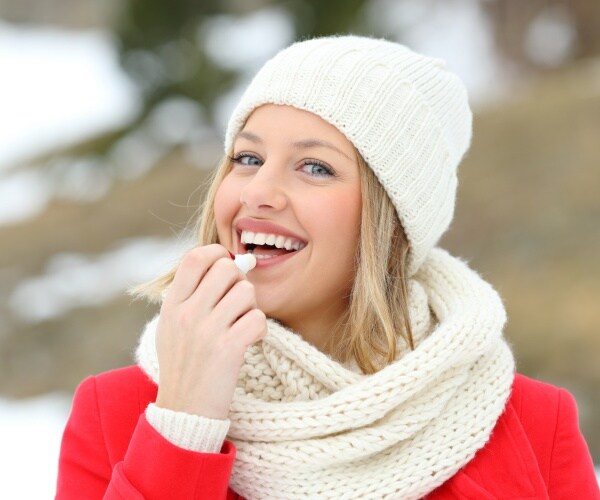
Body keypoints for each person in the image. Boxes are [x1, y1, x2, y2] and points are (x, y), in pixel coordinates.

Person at [56, 35, 599, 499]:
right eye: (247, 158)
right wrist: (185, 423)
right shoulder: (117, 414)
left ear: (392, 221)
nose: (259, 192)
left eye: (315, 167)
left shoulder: (532, 423)